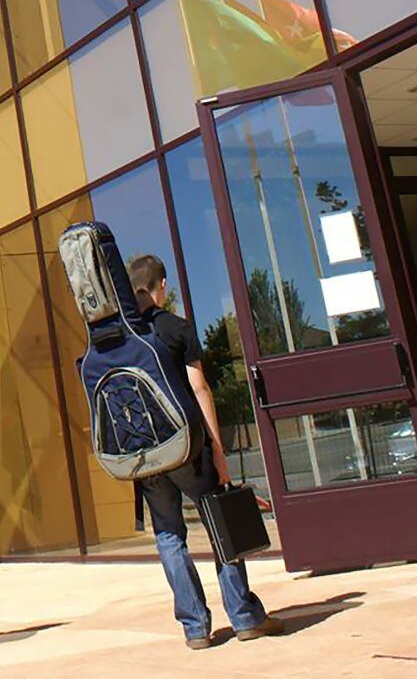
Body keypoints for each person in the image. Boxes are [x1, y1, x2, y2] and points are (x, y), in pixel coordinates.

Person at [128, 255, 284, 650]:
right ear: (161, 285)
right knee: (219, 526)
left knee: (168, 535)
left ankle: (195, 628)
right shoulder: (176, 329)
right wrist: (217, 449)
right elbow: (200, 389)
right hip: (186, 448)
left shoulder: (123, 338)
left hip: (145, 456)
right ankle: (245, 617)